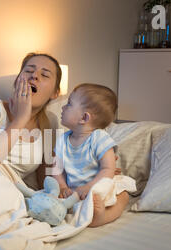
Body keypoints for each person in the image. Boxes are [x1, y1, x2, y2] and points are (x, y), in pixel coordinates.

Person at [0, 52, 62, 187]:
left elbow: (45, 183)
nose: (34, 76)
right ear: (17, 81)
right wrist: (20, 120)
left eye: (44, 75)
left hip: (2, 189)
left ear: (55, 93)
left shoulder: (49, 122)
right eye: (28, 71)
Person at [52, 83, 129, 228]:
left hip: (97, 187)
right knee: (51, 195)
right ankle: (68, 210)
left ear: (84, 118)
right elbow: (57, 168)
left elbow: (108, 169)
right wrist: (62, 187)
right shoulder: (62, 140)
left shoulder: (100, 138)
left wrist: (89, 187)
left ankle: (104, 216)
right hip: (73, 191)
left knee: (123, 194)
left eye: (69, 104)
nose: (63, 108)